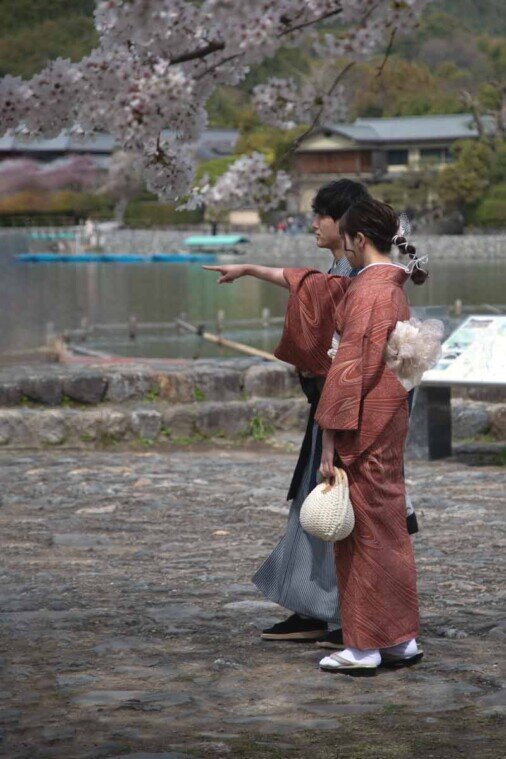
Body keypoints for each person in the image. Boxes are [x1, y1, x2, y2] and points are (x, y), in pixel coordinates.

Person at [204, 181, 419, 653]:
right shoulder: (377, 280)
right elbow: (309, 286)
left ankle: (358, 632)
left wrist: (331, 438)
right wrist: (252, 269)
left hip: (353, 416)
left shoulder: (363, 284)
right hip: (366, 412)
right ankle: (367, 625)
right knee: (348, 517)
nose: (314, 225)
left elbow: (346, 358)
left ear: (352, 230)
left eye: (321, 216)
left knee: (348, 518)